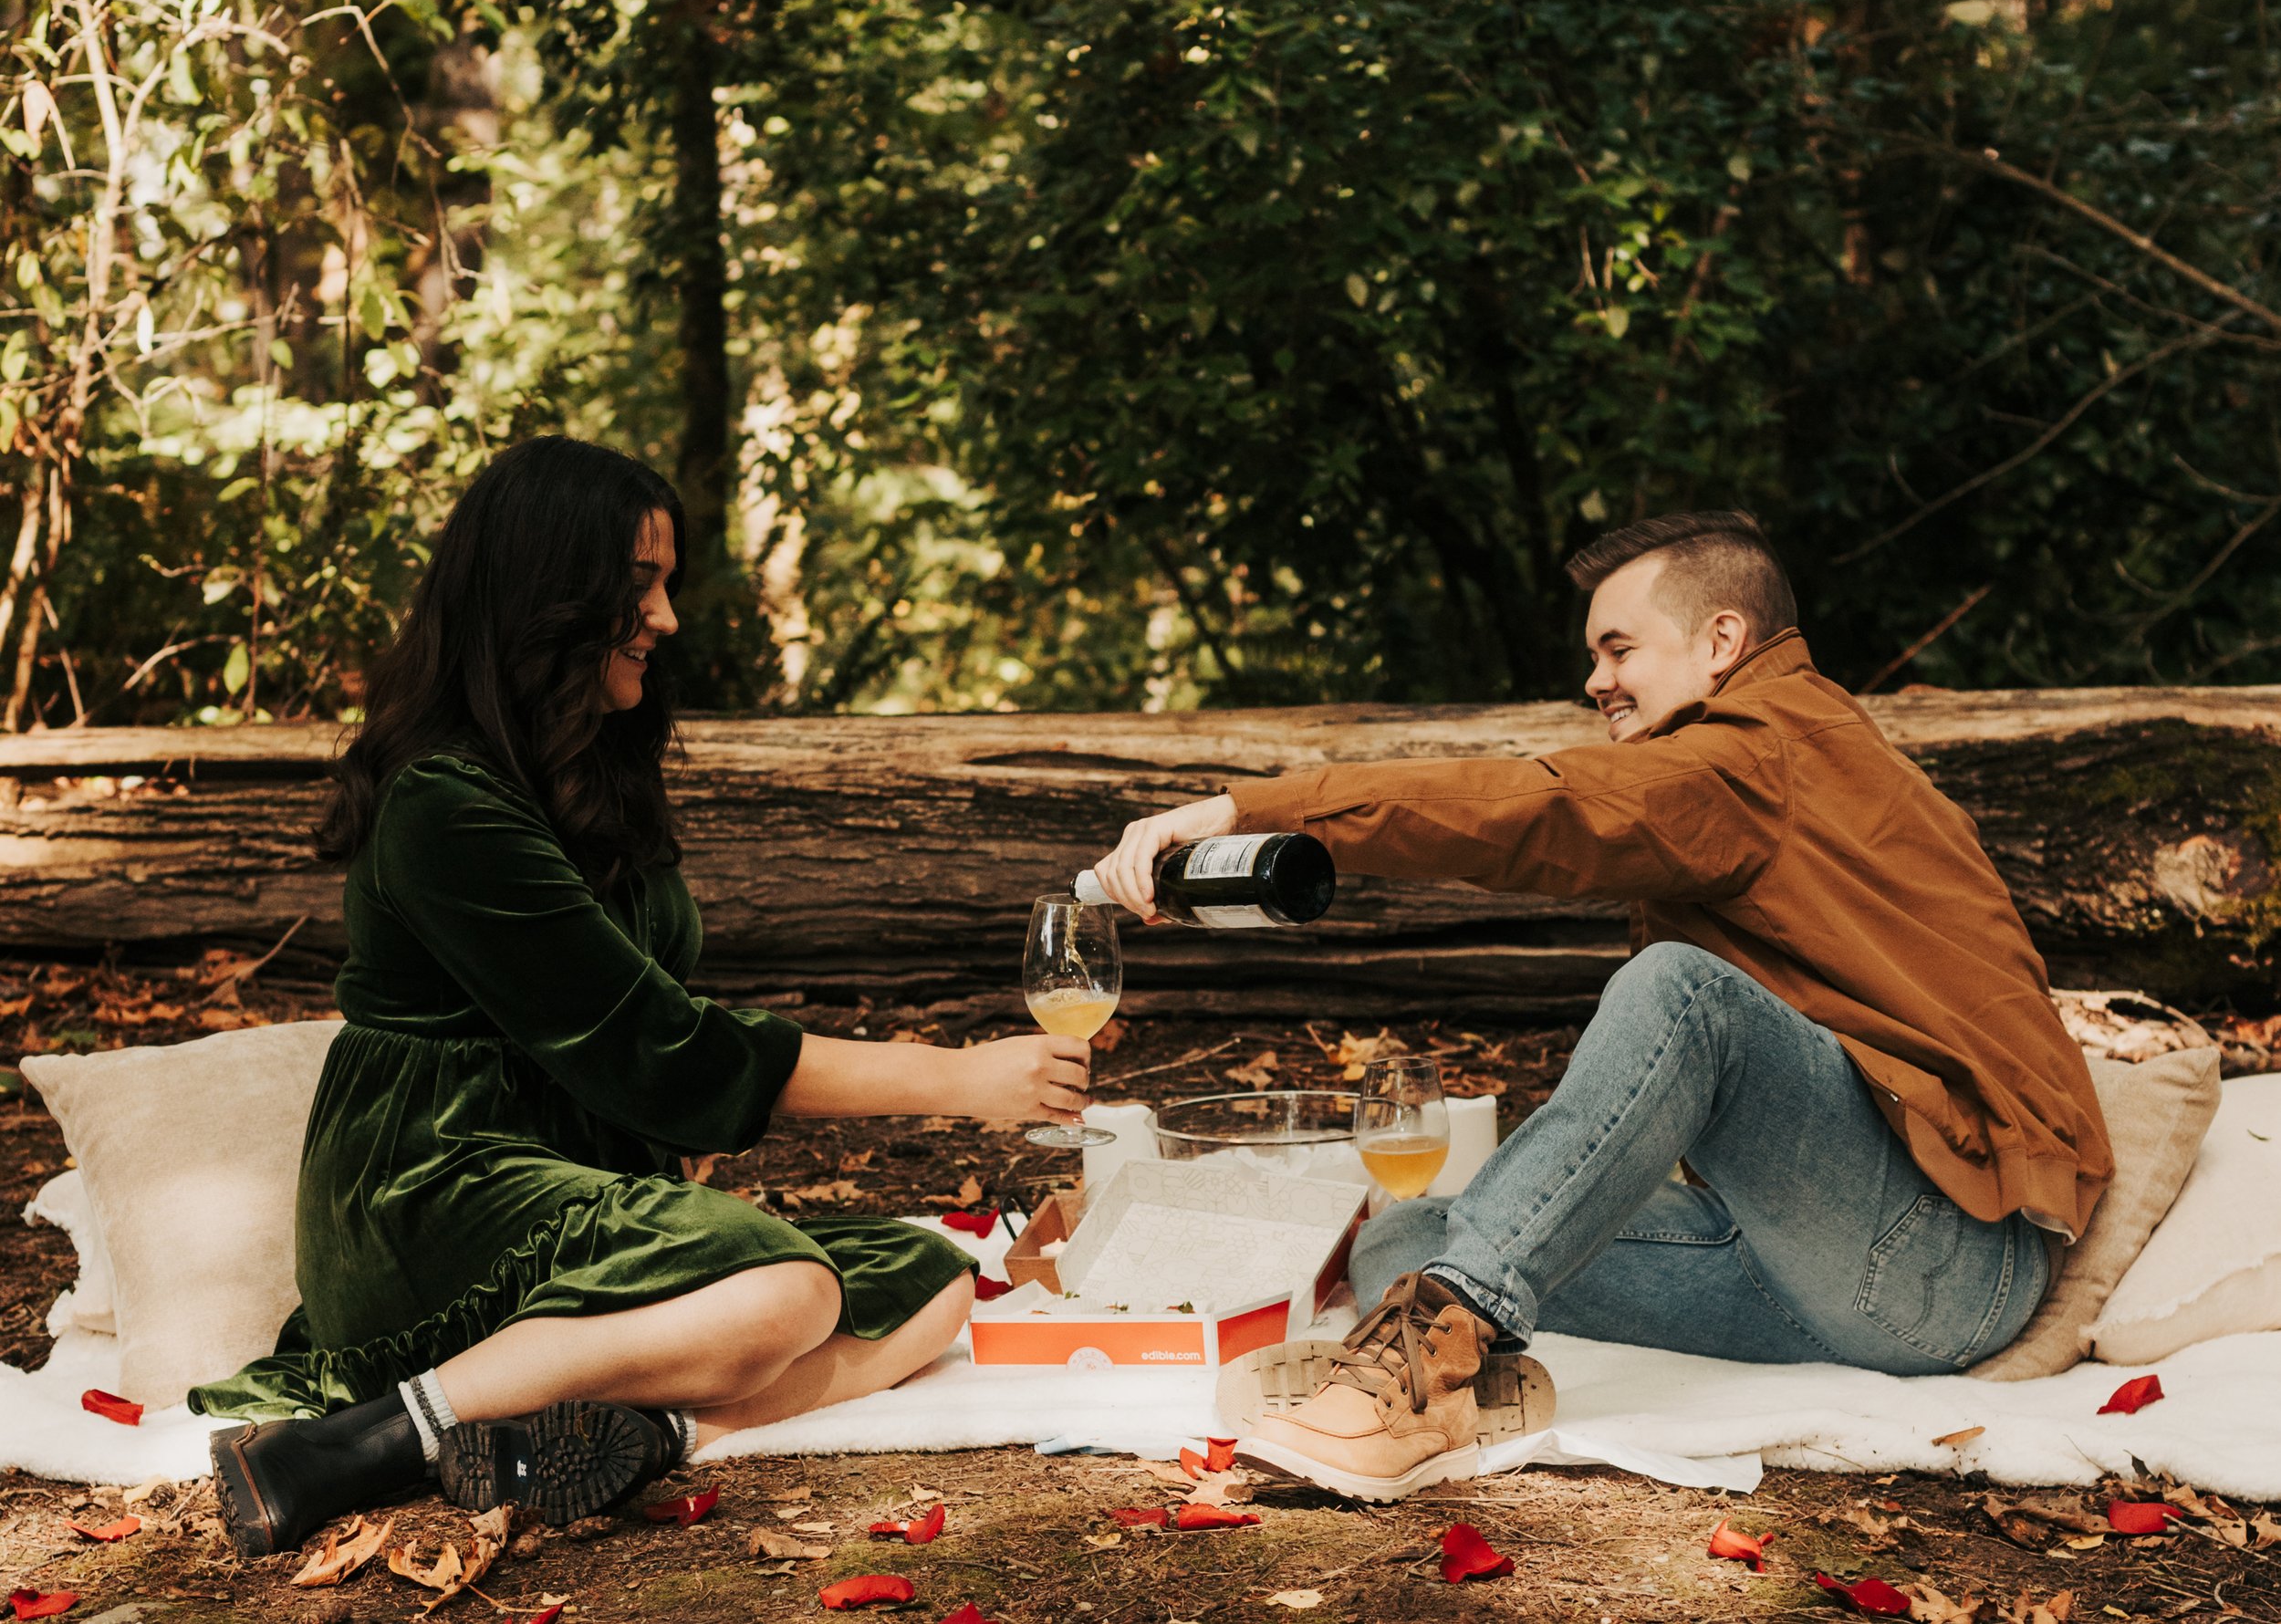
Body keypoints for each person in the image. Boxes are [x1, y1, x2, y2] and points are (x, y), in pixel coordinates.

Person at [1088, 511, 2109, 1503]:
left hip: (1941, 1265)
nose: (1595, 680)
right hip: (1814, 1273)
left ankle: (1407, 1372)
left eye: (1619, 647)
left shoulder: (1763, 751)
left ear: (1722, 639)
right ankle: (1455, 1394)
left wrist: (1253, 810)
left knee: (1683, 993)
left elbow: (1540, 805)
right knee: (1405, 1239)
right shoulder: (1771, 759)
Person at [195, 438, 1094, 1557]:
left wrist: (651, 1141)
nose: (666, 617)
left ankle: (626, 1434)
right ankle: (353, 1444)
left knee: (931, 1281)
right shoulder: (442, 804)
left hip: (567, 1172)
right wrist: (958, 1079)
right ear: (550, 597)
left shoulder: (589, 764)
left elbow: (636, 1023)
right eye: (641, 583)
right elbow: (664, 1048)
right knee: (786, 1295)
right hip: (432, 1184)